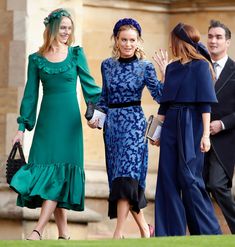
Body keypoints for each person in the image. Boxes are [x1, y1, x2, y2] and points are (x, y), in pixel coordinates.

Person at [10, 8, 101, 240]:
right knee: (51, 173)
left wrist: (97, 116)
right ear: (52, 28)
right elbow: (30, 96)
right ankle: (64, 235)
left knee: (59, 174)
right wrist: (21, 129)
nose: (66, 32)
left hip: (69, 125)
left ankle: (38, 229)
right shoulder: (36, 60)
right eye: (62, 27)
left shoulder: (76, 54)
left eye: (69, 28)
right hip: (46, 125)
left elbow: (90, 88)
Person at [88, 18, 163, 239]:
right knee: (120, 181)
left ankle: (117, 234)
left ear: (138, 41)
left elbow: (160, 96)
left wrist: (166, 74)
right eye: (124, 40)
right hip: (112, 128)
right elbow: (104, 99)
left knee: (126, 178)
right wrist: (95, 118)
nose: (128, 44)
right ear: (116, 40)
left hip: (134, 126)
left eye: (132, 40)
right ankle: (144, 230)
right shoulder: (106, 65)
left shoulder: (145, 67)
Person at [152, 23, 222, 236]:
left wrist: (205, 136)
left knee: (190, 178)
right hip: (171, 123)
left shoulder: (201, 66)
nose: (170, 44)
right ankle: (169, 234)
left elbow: (205, 104)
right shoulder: (172, 68)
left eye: (172, 40)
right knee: (167, 178)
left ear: (180, 41)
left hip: (191, 124)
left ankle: (208, 232)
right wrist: (155, 133)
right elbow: (163, 105)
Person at [203, 20, 235, 234]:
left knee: (216, 184)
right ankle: (205, 233)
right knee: (197, 187)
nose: (213, 41)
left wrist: (222, 124)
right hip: (196, 138)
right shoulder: (199, 67)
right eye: (211, 36)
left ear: (228, 42)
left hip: (225, 141)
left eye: (218, 37)